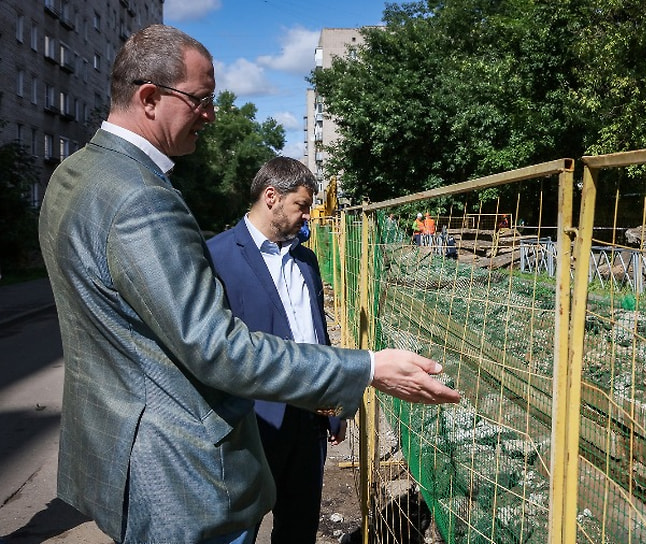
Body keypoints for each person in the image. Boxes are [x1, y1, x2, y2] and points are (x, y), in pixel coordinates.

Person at [38, 24, 459, 544]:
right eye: (202, 99)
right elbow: (216, 347)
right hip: (170, 469)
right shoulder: (142, 199)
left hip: (117, 448)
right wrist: (369, 367)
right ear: (150, 98)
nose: (211, 115)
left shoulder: (74, 174)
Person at [207, 157, 343, 543]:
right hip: (252, 423)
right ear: (272, 197)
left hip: (309, 419)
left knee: (299, 527)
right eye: (301, 206)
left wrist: (333, 405)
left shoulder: (306, 260)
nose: (307, 217)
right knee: (239, 529)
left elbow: (317, 336)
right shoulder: (216, 257)